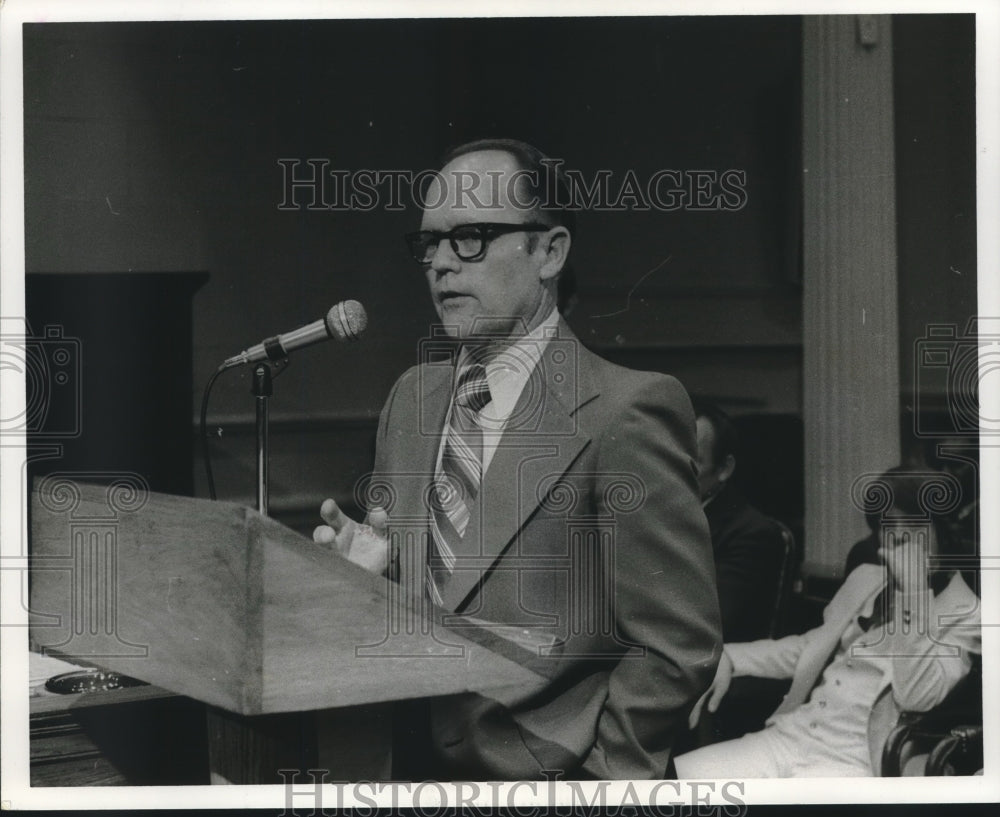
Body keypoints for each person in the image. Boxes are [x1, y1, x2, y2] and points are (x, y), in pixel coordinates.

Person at [313, 138, 722, 780]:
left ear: (549, 252)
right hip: (408, 771)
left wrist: (596, 782)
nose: (441, 263)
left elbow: (679, 644)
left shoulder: (628, 409)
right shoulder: (410, 398)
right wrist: (360, 584)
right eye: (429, 243)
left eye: (470, 237)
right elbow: (431, 600)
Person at [674, 466, 981, 778]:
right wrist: (728, 656)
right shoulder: (867, 579)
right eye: (888, 524)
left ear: (946, 532)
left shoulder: (968, 614)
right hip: (790, 738)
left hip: (856, 762)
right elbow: (808, 648)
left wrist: (913, 593)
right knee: (679, 783)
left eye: (914, 524)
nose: (898, 535)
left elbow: (917, 696)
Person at [693, 399, 788, 643]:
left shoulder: (752, 533)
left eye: (692, 461)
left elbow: (706, 627)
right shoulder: (650, 518)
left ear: (724, 468)